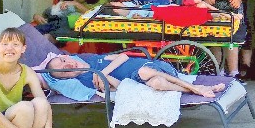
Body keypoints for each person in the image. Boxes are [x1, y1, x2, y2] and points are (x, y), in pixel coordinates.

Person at [45, 53, 225, 98]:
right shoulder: (86, 80)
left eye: (63, 60)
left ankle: (196, 88)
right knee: (156, 84)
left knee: (145, 72)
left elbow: (123, 56)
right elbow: (117, 87)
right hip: (140, 80)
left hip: (151, 67)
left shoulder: (93, 59)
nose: (68, 64)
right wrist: (105, 79)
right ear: (67, 78)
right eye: (65, 69)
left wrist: (103, 72)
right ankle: (195, 89)